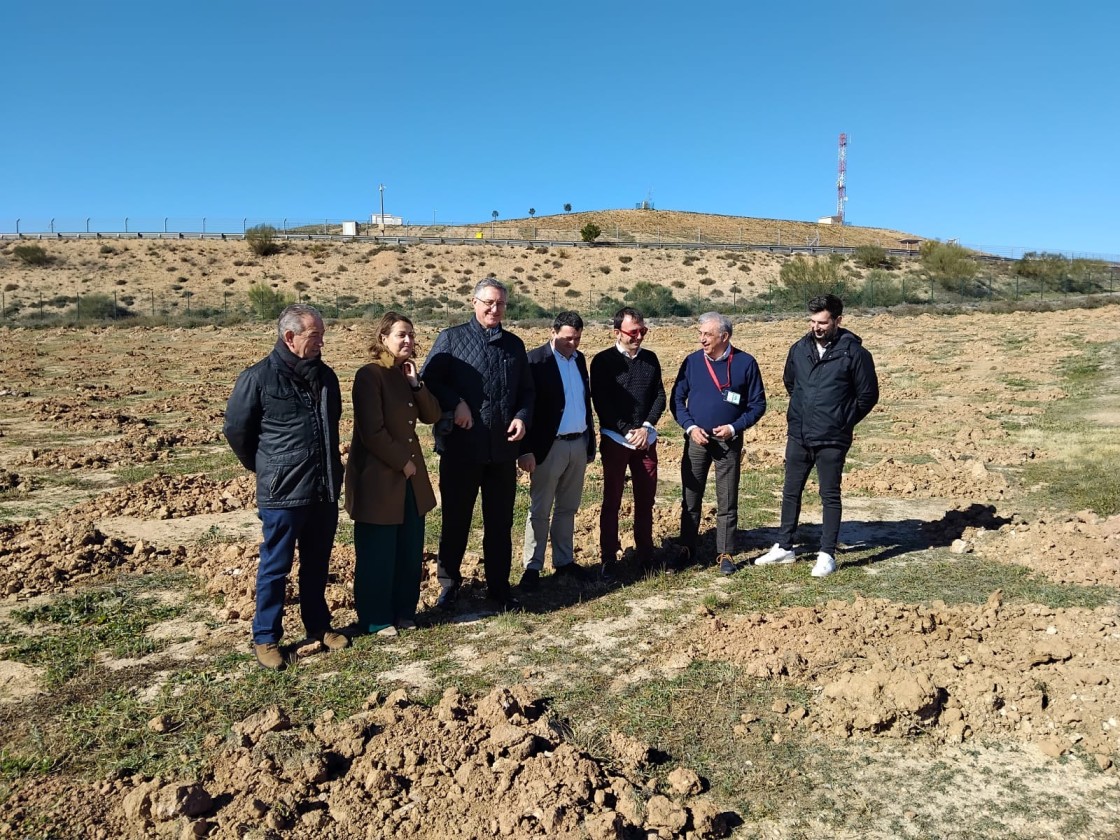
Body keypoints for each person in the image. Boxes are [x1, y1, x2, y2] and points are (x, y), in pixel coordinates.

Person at [223, 303, 349, 671]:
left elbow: (333, 425)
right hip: (282, 491)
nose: (322, 342)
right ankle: (266, 637)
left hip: (323, 487)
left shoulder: (326, 377)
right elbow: (237, 431)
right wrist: (265, 468)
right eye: (315, 336)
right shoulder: (258, 378)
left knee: (317, 562)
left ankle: (318, 625)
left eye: (323, 335)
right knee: (275, 566)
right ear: (290, 337)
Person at [420, 278, 534, 611]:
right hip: (461, 450)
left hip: (501, 450)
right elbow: (429, 380)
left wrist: (522, 417)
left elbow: (527, 390)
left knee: (500, 523)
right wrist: (455, 402)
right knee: (456, 520)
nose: (494, 309)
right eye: (488, 302)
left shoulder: (514, 345)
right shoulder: (451, 339)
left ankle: (499, 588)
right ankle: (449, 585)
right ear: (473, 302)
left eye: (500, 304)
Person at [755, 294, 879, 577]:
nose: (816, 327)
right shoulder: (799, 349)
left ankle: (827, 554)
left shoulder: (855, 354)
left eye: (822, 322)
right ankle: (784, 546)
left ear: (838, 320)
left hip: (832, 438)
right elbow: (791, 383)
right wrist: (802, 413)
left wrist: (842, 420)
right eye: (812, 321)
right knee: (790, 490)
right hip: (799, 433)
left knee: (829, 494)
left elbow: (868, 395)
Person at [345, 312, 442, 636]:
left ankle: (404, 612)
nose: (408, 341)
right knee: (378, 554)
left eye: (412, 335)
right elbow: (372, 432)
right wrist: (403, 462)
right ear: (383, 338)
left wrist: (416, 383)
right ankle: (376, 618)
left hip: (410, 480)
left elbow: (432, 414)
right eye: (401, 335)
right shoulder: (369, 375)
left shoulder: (405, 375)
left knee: (408, 550)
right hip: (380, 480)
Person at [671, 312, 767, 576]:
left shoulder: (746, 363)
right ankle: (686, 548)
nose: (702, 339)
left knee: (727, 499)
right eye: (700, 334)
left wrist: (734, 427)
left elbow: (758, 404)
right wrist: (690, 428)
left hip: (729, 443)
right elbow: (677, 400)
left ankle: (725, 552)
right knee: (691, 497)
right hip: (697, 441)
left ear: (724, 337)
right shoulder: (691, 362)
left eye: (707, 335)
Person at [517, 311, 596, 591]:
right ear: (553, 332)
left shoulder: (580, 359)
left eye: (576, 339)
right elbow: (522, 406)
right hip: (547, 448)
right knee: (540, 509)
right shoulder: (534, 361)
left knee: (568, 508)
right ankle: (532, 567)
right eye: (566, 339)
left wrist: (590, 442)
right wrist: (524, 450)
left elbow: (585, 404)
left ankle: (563, 561)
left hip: (577, 443)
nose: (572, 344)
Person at [590, 306, 667, 578]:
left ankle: (646, 555)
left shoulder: (651, 359)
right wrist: (626, 431)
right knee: (612, 500)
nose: (639, 337)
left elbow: (659, 396)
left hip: (646, 439)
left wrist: (646, 427)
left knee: (645, 500)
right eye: (633, 332)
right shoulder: (602, 362)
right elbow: (602, 402)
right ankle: (609, 558)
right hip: (615, 439)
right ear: (617, 332)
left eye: (642, 331)